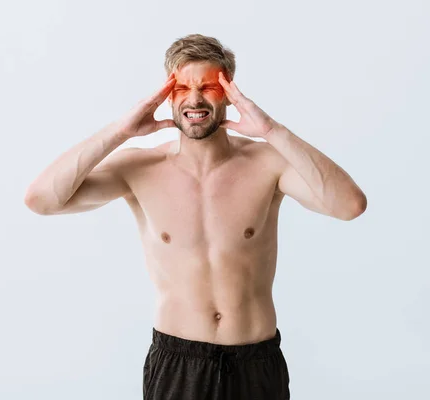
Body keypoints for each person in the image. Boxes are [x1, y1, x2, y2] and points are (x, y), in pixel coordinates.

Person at [24, 34, 367, 399]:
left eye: (209, 87)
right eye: (181, 87)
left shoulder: (269, 164)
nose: (194, 99)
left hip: (256, 362)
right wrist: (120, 133)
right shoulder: (139, 168)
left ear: (230, 93)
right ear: (166, 96)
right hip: (178, 363)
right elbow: (42, 200)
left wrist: (272, 131)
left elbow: (349, 206)